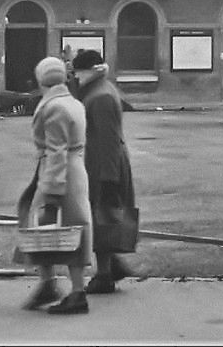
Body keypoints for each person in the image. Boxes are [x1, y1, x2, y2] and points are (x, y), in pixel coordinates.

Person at [18, 56, 93, 314]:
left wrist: (51, 190)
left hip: (58, 172)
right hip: (74, 170)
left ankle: (69, 290)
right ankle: (56, 285)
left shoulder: (54, 108)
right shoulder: (72, 103)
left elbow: (56, 151)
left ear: (41, 78)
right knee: (71, 228)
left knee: (52, 228)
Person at [70, 49, 136, 294]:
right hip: (101, 162)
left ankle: (105, 274)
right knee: (103, 218)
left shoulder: (101, 97)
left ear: (87, 71)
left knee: (102, 218)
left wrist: (109, 178)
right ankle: (111, 266)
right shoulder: (100, 90)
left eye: (77, 72)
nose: (75, 76)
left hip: (104, 165)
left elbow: (108, 139)